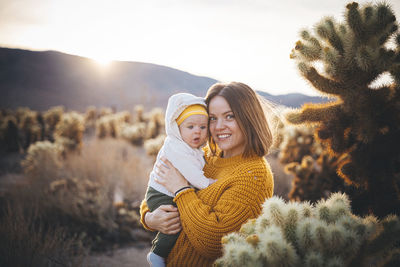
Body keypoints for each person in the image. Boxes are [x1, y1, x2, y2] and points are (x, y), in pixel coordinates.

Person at [140, 82, 275, 266]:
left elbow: (213, 243)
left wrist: (181, 189)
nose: (219, 126)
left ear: (248, 118)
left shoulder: (254, 174)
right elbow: (159, 188)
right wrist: (150, 218)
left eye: (229, 116)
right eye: (212, 118)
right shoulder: (204, 156)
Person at [145, 92, 216, 267]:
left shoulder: (193, 149)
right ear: (178, 128)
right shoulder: (176, 147)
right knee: (174, 223)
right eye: (190, 127)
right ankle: (157, 254)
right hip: (160, 194)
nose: (197, 132)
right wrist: (207, 183)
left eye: (202, 127)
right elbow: (191, 173)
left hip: (165, 191)